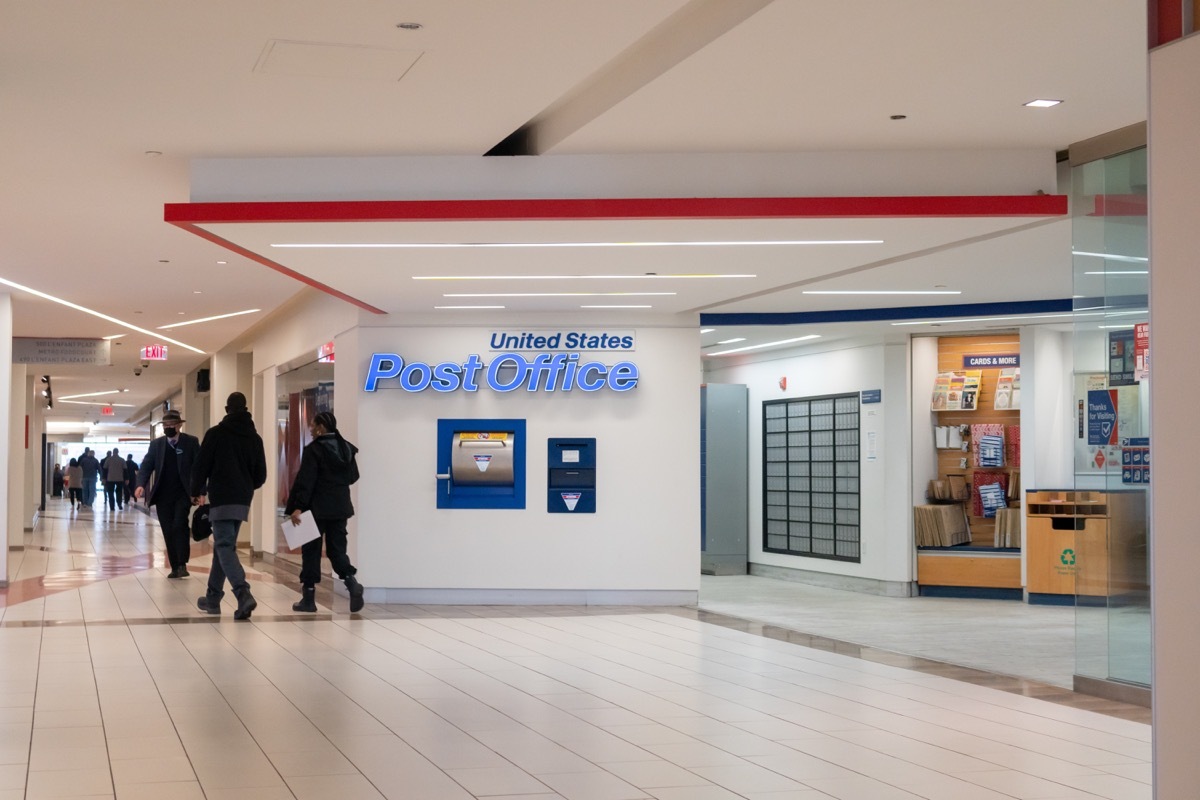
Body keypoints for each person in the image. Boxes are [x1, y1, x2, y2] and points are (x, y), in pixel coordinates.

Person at [190, 392, 266, 620]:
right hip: (242, 499)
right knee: (223, 547)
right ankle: (212, 598)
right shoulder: (255, 438)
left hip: (222, 497)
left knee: (223, 546)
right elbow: (261, 476)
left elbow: (201, 466)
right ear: (245, 409)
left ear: (227, 409)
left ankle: (243, 593)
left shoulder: (216, 434)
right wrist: (245, 486)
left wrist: (196, 491)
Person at [284, 410, 364, 613]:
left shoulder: (314, 450)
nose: (310, 429)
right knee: (337, 550)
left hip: (316, 509)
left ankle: (308, 599)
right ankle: (352, 584)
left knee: (311, 552)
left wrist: (298, 506)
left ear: (321, 427)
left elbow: (306, 480)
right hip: (340, 508)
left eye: (313, 425)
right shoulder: (346, 448)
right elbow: (353, 477)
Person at [135, 409, 200, 578]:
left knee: (179, 525)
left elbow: (198, 468)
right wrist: (140, 484)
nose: (168, 427)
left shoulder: (191, 442)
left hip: (183, 493)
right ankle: (175, 566)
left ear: (179, 426)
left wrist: (200, 491)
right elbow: (147, 465)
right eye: (166, 425)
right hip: (163, 495)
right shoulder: (157, 445)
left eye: (172, 424)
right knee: (168, 529)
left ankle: (182, 563)